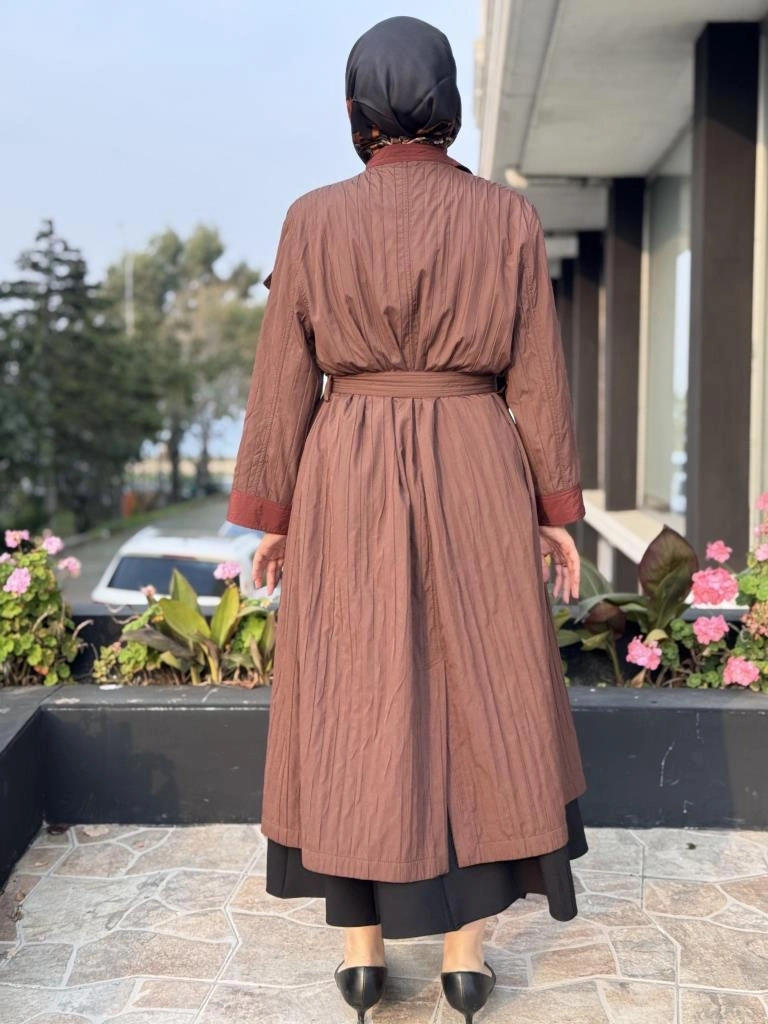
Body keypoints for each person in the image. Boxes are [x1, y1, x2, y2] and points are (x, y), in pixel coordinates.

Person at [226, 15, 589, 1024]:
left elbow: (284, 376)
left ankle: (362, 951)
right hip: (478, 456)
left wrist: (274, 512)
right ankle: (467, 957)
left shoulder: (312, 218)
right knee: (487, 682)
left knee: (352, 682)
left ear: (356, 109)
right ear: (447, 103)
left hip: (345, 462)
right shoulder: (508, 219)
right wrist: (554, 507)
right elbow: (538, 377)